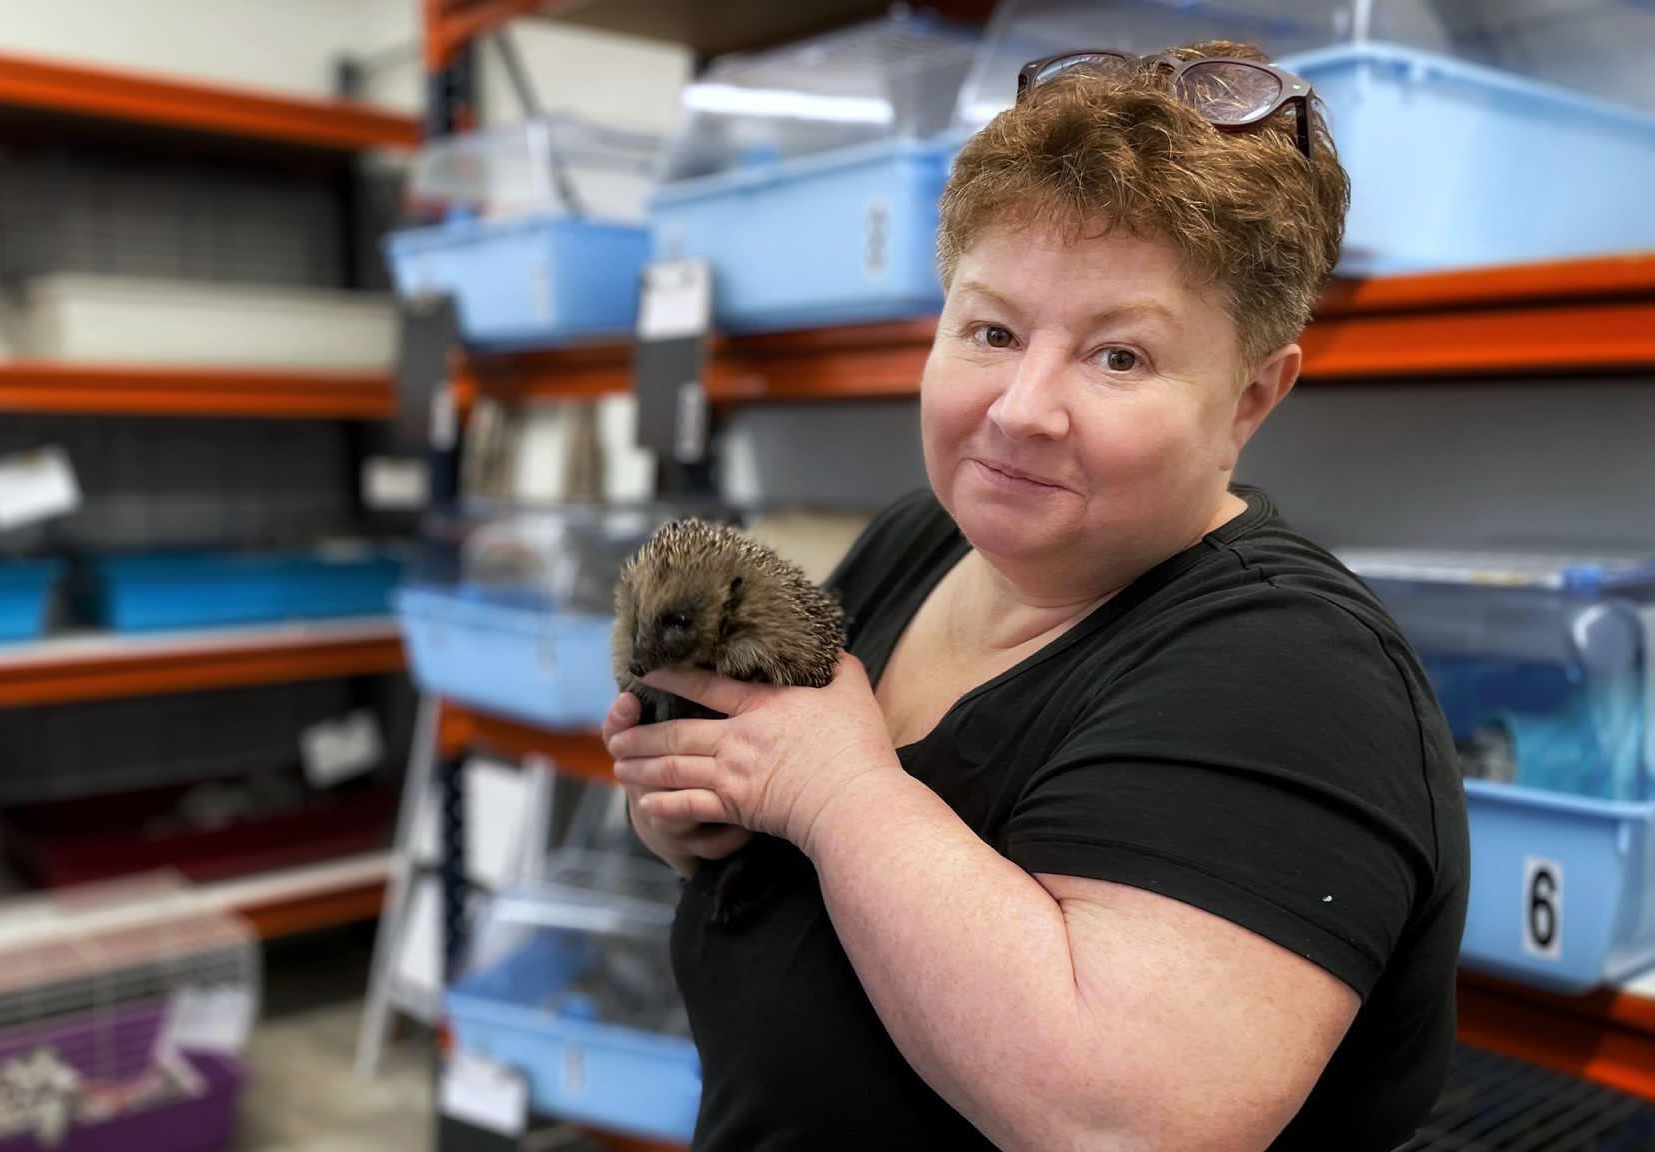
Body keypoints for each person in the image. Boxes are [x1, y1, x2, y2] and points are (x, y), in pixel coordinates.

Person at [602, 40, 1469, 1151]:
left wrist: (830, 790)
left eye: (1116, 358)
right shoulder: (926, 541)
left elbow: (1116, 1125)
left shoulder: (1294, 681)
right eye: (992, 330)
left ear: (1251, 395)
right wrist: (705, 819)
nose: (1019, 408)